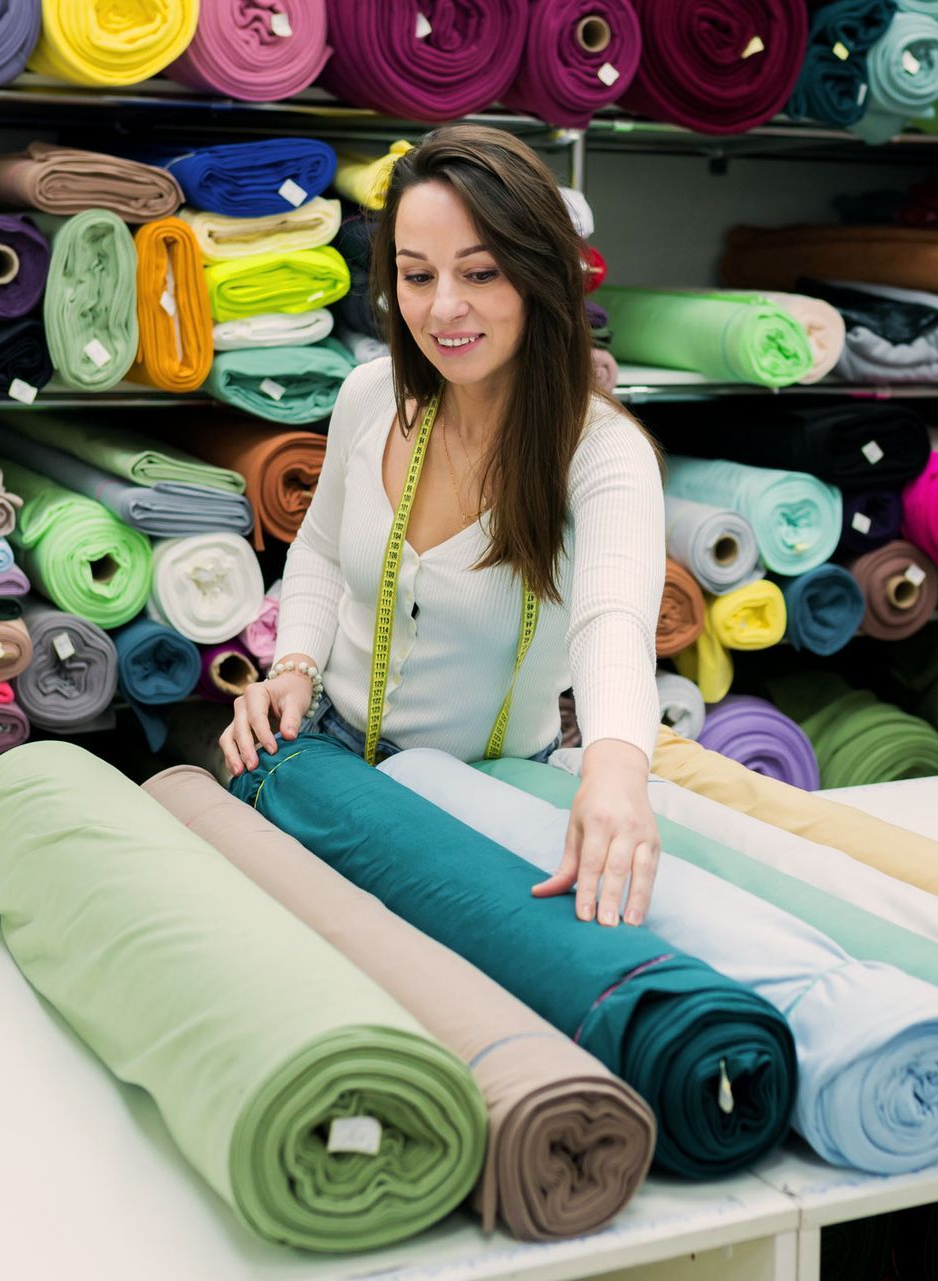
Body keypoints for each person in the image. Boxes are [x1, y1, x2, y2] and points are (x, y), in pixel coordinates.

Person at [220, 123, 667, 928]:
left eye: (481, 272)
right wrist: (293, 667)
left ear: (540, 279)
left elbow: (613, 623)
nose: (443, 308)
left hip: (483, 797)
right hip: (320, 757)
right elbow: (319, 550)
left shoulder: (603, 454)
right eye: (417, 275)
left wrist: (615, 773)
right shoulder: (371, 395)